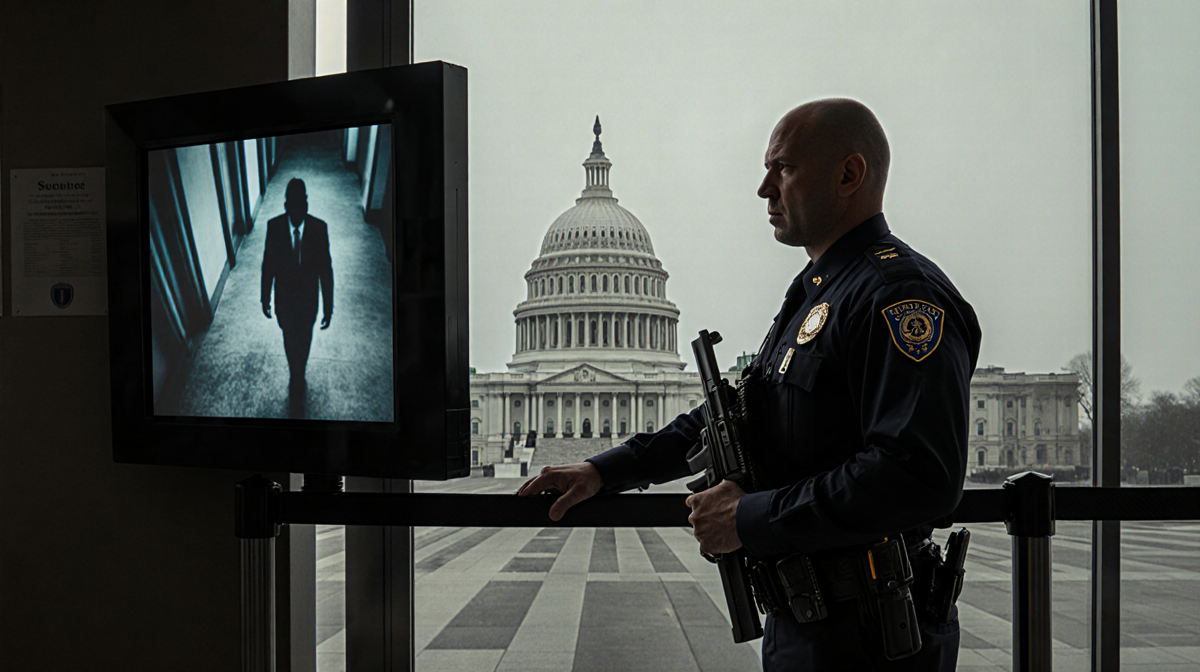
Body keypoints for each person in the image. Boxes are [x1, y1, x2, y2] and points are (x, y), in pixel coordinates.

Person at [517, 98, 981, 671]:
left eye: (783, 168)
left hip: (874, 636)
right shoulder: (816, 294)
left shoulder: (897, 296)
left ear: (848, 174)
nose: (764, 188)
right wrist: (603, 471)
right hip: (808, 618)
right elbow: (733, 416)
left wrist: (749, 519)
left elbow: (917, 476)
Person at [261, 178, 334, 390]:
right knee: (289, 338)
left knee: (305, 339)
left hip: (309, 302)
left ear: (307, 205)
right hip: (284, 301)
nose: (296, 212)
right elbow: (268, 266)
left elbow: (325, 271)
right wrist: (265, 298)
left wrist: (328, 307)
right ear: (285, 207)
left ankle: (299, 372)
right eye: (292, 206)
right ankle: (295, 370)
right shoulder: (274, 228)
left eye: (300, 205)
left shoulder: (319, 229)